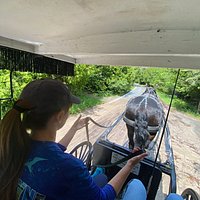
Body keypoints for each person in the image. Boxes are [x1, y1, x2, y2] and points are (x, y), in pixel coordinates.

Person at [0, 78, 183, 200]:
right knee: (137, 186)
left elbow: (50, 153)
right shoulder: (71, 167)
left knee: (101, 176)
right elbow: (102, 198)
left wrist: (73, 129)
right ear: (59, 116)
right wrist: (128, 166)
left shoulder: (13, 145)